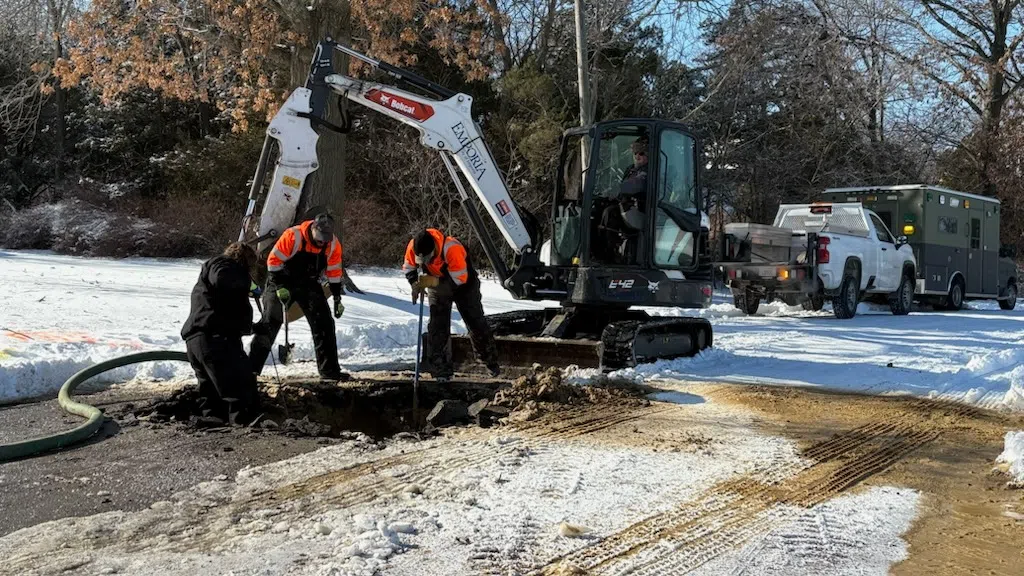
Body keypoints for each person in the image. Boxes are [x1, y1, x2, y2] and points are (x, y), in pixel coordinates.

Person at [249, 213, 347, 381]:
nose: (322, 242)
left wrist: (337, 297)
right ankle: (250, 370)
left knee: (324, 322)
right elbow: (273, 262)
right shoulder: (293, 235)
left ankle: (329, 371)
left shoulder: (333, 244)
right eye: (320, 238)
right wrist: (279, 287)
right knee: (271, 321)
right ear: (313, 228)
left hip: (309, 283)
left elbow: (334, 272)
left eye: (326, 239)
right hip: (281, 278)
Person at [180, 242, 262, 424]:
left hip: (200, 340)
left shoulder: (215, 280)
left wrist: (252, 328)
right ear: (244, 262)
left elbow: (223, 311)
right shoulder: (222, 264)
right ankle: (247, 427)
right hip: (215, 340)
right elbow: (222, 278)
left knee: (211, 392)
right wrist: (247, 283)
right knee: (239, 384)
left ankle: (213, 424)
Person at [403, 228, 499, 382]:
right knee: (437, 325)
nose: (426, 263)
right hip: (436, 284)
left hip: (464, 285)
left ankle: (490, 363)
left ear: (434, 248)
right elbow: (409, 267)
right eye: (423, 261)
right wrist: (415, 283)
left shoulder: (451, 248)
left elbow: (459, 279)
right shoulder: (413, 246)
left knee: (475, 322)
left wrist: (434, 282)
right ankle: (440, 370)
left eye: (428, 258)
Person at [597, 138, 648, 264]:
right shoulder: (630, 169)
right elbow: (622, 185)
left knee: (610, 213)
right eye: (635, 153)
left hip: (641, 209)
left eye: (641, 153)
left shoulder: (648, 171)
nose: (637, 156)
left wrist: (618, 189)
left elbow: (635, 185)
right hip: (626, 205)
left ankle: (610, 255)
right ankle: (597, 250)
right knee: (598, 208)